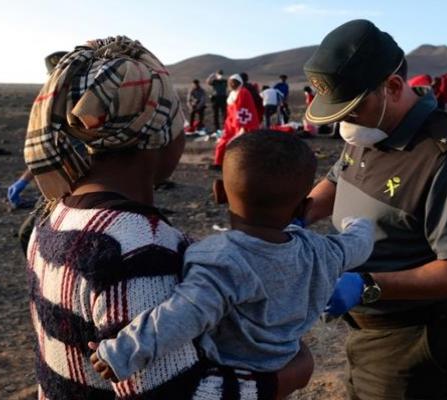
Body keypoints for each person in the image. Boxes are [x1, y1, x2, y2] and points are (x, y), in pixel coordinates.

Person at [24, 37, 312, 399]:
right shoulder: (137, 246)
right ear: (156, 136)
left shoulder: (55, 216)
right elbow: (173, 393)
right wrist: (290, 375)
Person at [89, 131, 375, 397]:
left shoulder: (220, 258)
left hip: (231, 376)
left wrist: (121, 353)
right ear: (303, 208)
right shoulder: (320, 250)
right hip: (283, 364)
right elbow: (358, 244)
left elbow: (181, 315)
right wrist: (357, 222)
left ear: (219, 192)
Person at [302, 20, 447, 399]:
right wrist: (298, 213)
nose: (344, 122)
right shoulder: (369, 127)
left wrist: (368, 286)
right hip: (367, 336)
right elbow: (337, 177)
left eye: (351, 110)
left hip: (417, 341)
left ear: (392, 87)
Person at [9, 50, 69, 255]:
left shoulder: (63, 103)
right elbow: (45, 149)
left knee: (29, 235)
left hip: (70, 186)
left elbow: (46, 149)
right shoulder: (57, 101)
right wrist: (23, 180)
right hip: (61, 184)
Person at [211, 74, 260, 170]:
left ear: (239, 82)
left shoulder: (243, 92)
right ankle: (218, 163)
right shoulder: (233, 93)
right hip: (231, 124)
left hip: (240, 124)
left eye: (233, 82)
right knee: (222, 142)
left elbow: (243, 109)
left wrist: (242, 126)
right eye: (230, 82)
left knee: (235, 144)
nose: (231, 84)